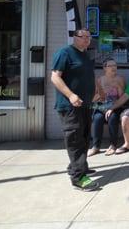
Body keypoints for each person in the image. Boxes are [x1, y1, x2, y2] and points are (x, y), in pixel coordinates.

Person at [51, 28, 100, 191]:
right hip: (69, 106)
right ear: (74, 37)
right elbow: (55, 77)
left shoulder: (85, 55)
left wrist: (94, 93)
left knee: (85, 136)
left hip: (85, 104)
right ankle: (78, 178)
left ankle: (78, 167)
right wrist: (71, 95)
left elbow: (86, 77)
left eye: (89, 37)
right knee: (75, 139)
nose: (87, 40)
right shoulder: (65, 53)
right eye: (83, 37)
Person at [88, 58, 126, 157]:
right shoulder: (99, 80)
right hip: (101, 105)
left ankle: (113, 145)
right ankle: (96, 146)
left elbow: (122, 98)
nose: (114, 68)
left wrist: (118, 87)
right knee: (97, 118)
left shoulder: (120, 79)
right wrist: (102, 94)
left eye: (115, 65)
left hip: (115, 105)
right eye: (110, 66)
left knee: (112, 117)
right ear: (104, 68)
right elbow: (93, 98)